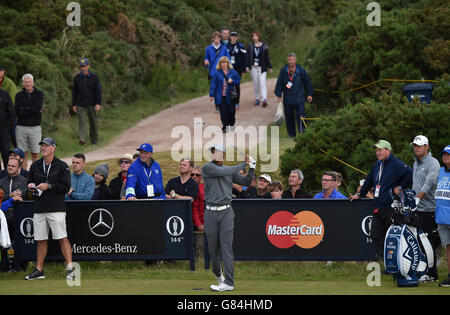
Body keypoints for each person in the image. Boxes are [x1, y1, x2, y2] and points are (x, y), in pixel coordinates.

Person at [202, 143, 256, 291]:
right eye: (213, 151)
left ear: (224, 154)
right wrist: (244, 163)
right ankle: (218, 274)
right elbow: (225, 171)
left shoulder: (229, 171)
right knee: (213, 250)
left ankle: (229, 282)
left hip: (226, 212)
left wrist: (251, 168)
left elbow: (245, 182)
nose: (216, 153)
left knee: (226, 247)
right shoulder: (207, 168)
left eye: (219, 151)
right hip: (211, 213)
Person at [349, 140, 413, 259]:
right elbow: (368, 181)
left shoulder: (396, 163)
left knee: (391, 237)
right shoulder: (377, 165)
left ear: (388, 150)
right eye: (376, 150)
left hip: (391, 207)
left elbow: (409, 173)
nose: (377, 152)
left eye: (380, 150)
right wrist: (359, 194)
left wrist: (400, 187)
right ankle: (388, 261)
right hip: (378, 205)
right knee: (375, 235)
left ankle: (395, 263)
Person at [25, 137, 74, 280]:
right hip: (39, 208)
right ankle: (39, 270)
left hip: (56, 208)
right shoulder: (35, 165)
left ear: (53, 148)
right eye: (42, 146)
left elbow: (65, 187)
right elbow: (30, 182)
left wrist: (49, 186)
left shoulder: (62, 166)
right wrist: (30, 187)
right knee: (41, 239)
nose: (43, 148)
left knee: (62, 238)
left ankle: (70, 268)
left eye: (46, 146)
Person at [409, 135, 441, 281]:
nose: (416, 148)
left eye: (419, 146)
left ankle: (432, 274)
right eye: (415, 145)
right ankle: (424, 271)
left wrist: (418, 197)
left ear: (427, 147)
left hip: (430, 209)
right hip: (418, 209)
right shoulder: (416, 163)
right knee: (419, 242)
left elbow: (429, 183)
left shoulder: (433, 163)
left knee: (429, 243)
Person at [274, 53, 313, 138]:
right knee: (289, 118)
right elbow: (279, 83)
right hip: (288, 99)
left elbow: (307, 82)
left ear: (296, 60)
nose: (291, 61)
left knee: (301, 117)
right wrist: (278, 94)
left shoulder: (301, 70)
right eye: (290, 60)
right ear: (287, 61)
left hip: (299, 98)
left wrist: (309, 94)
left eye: (293, 60)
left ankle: (302, 133)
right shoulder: (284, 71)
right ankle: (292, 134)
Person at [14, 74, 45, 169]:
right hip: (21, 128)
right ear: (23, 84)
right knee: (22, 154)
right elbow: (18, 112)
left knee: (35, 153)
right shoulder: (18, 96)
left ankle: (35, 175)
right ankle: (23, 176)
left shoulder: (40, 94)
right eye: (26, 82)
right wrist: (31, 109)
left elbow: (37, 108)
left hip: (35, 127)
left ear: (33, 82)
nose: (28, 84)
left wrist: (25, 108)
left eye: (29, 82)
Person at [72, 58, 102, 146]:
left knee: (93, 122)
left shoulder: (94, 77)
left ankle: (94, 141)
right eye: (81, 66)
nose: (83, 68)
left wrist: (98, 103)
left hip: (92, 104)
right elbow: (74, 92)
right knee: (82, 122)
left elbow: (98, 91)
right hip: (81, 104)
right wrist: (74, 104)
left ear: (88, 66)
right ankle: (82, 138)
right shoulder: (77, 78)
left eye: (85, 66)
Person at [209, 56, 241, 133]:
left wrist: (232, 81)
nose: (224, 64)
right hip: (220, 96)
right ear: (220, 64)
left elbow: (238, 80)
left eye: (225, 62)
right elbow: (213, 85)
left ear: (228, 63)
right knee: (223, 112)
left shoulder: (232, 71)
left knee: (231, 111)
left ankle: (232, 124)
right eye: (222, 63)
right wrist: (211, 95)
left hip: (230, 96)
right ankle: (225, 126)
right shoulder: (217, 73)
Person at [436, 145, 450, 287]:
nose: (445, 156)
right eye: (444, 154)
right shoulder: (440, 170)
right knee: (448, 247)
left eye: (448, 154)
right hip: (442, 216)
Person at [247, 31, 273, 107]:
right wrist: (247, 66)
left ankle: (264, 99)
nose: (255, 37)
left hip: (262, 67)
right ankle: (257, 98)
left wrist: (270, 67)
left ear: (259, 37)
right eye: (253, 36)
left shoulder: (264, 46)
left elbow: (267, 57)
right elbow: (248, 57)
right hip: (253, 67)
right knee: (256, 83)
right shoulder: (250, 46)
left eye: (256, 36)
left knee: (262, 83)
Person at [227, 31, 247, 110]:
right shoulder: (226, 46)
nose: (233, 38)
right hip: (229, 69)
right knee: (229, 85)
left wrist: (243, 70)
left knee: (236, 86)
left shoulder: (240, 46)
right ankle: (231, 101)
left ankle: (237, 103)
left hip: (238, 69)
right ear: (230, 37)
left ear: (237, 37)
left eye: (235, 36)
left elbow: (245, 58)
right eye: (232, 36)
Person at [0, 65, 19, 148]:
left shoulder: (9, 83)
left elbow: (14, 99)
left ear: (3, 72)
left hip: (8, 113)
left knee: (13, 133)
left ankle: (17, 150)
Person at [0, 86, 14, 170]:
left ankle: (7, 176)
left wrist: (8, 127)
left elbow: (11, 111)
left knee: (6, 154)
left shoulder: (4, 94)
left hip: (4, 130)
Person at [191, 166, 205, 232]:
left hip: (205, 224)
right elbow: (194, 208)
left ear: (201, 177)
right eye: (192, 174)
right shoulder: (187, 186)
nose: (194, 176)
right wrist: (198, 224)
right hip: (194, 224)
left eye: (197, 175)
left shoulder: (204, 187)